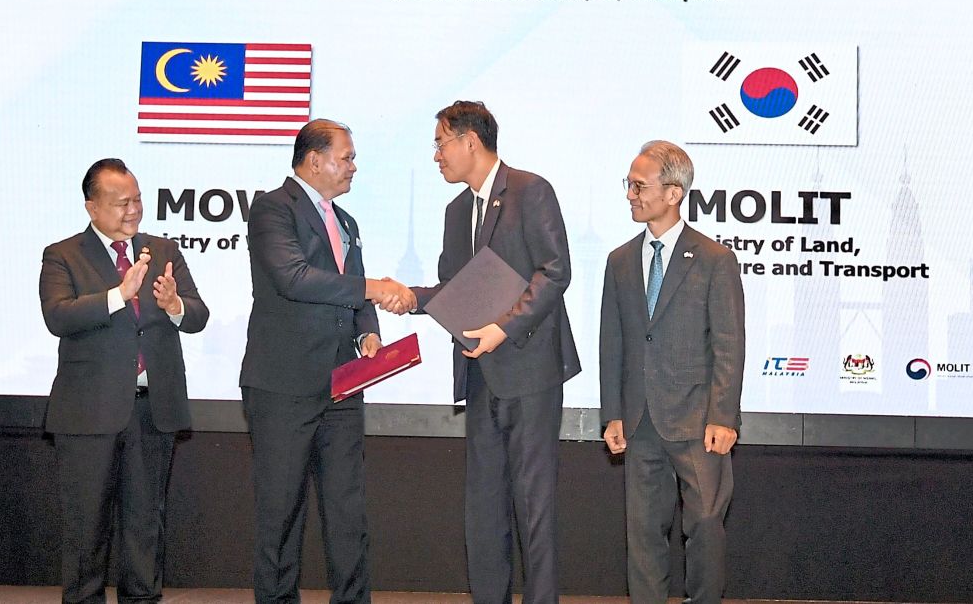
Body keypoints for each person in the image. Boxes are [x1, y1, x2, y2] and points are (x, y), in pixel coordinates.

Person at [410, 100, 581, 604]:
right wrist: (409, 298)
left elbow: (555, 271)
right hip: (480, 376)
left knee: (534, 507)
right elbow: (454, 289)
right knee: (484, 508)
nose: (436, 156)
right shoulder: (455, 211)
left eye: (441, 144)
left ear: (470, 141)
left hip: (530, 372)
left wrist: (503, 328)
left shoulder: (531, 190)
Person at [239, 119, 414, 604]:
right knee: (281, 512)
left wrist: (368, 332)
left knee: (347, 510)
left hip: (342, 384)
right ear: (314, 160)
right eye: (347, 157)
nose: (354, 166)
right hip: (283, 386)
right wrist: (375, 289)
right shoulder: (273, 208)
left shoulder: (346, 222)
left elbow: (355, 295)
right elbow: (294, 278)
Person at [39, 158, 210, 604]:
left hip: (153, 409)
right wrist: (119, 295)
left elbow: (198, 315)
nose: (133, 210)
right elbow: (58, 316)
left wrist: (174, 306)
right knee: (86, 528)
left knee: (145, 526)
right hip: (88, 413)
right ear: (92, 207)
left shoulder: (163, 251)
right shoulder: (63, 255)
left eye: (137, 200)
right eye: (121, 203)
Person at [599, 141, 745, 604]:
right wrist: (612, 413)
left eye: (639, 186)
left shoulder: (715, 259)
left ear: (673, 193)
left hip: (699, 422)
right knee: (643, 535)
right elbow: (612, 343)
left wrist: (723, 416)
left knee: (706, 524)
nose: (630, 195)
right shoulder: (619, 261)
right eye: (629, 185)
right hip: (640, 421)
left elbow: (728, 344)